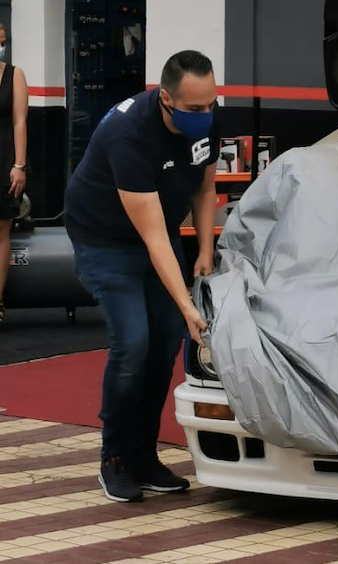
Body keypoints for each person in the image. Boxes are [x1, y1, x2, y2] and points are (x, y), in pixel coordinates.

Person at [64, 50, 220, 502]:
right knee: (134, 342)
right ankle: (114, 457)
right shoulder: (128, 133)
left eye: (211, 104)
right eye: (195, 108)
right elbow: (153, 239)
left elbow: (205, 187)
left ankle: (143, 455)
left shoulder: (208, 118)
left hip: (159, 232)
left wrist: (204, 250)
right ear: (166, 98)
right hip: (105, 240)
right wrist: (187, 304)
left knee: (166, 339)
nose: (205, 115)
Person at [0, 20, 28, 328]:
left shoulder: (14, 74)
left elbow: (20, 122)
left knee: (1, 231)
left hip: (4, 159)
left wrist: (19, 166)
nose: (1, 47)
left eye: (3, 41)